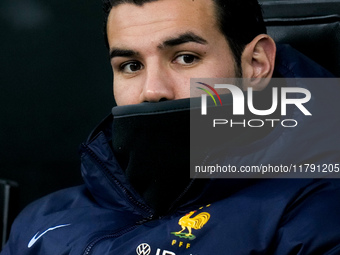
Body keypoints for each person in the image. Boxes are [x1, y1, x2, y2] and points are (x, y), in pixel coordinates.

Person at [2, 0, 340, 254]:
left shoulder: (313, 211)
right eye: (131, 65)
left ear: (256, 64)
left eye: (185, 57)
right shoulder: (42, 221)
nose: (153, 91)